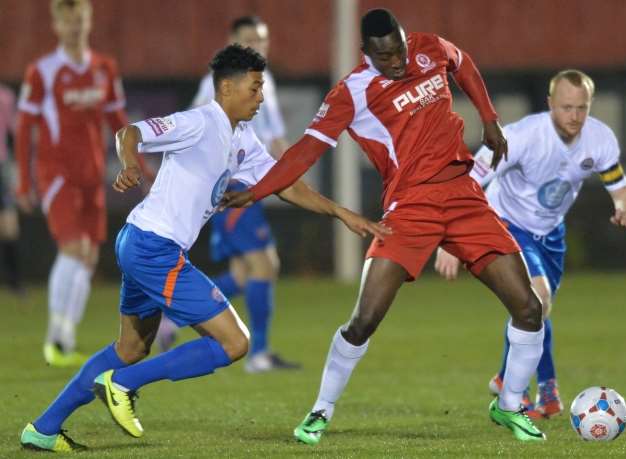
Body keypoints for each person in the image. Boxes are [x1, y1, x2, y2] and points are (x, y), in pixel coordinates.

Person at [19, 44, 389, 453]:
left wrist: (341, 213)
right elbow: (131, 132)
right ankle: (122, 384)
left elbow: (285, 184)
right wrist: (128, 165)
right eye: (254, 88)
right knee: (234, 343)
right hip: (153, 247)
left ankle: (44, 428)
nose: (261, 98)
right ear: (226, 88)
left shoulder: (242, 139)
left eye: (262, 88)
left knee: (132, 347)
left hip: (142, 242)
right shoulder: (200, 122)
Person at [223, 9, 547, 443]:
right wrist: (259, 190)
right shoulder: (351, 92)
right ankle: (321, 410)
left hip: (464, 195)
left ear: (405, 40)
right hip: (410, 208)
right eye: (385, 57)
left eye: (399, 51)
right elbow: (303, 152)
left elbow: (462, 62)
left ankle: (510, 407)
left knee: (528, 308)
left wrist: (489, 118)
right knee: (364, 320)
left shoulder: (429, 48)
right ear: (365, 54)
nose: (397, 63)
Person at [435, 69, 626, 419]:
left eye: (581, 108)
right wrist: (449, 238)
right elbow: (470, 180)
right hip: (507, 223)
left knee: (535, 310)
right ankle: (522, 391)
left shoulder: (599, 139)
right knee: (536, 299)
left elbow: (621, 188)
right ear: (549, 105)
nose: (574, 116)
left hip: (551, 234)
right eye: (566, 107)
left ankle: (528, 385)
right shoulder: (521, 137)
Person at [156, 15, 298, 373]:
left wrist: (294, 170)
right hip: (233, 185)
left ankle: (169, 316)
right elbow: (193, 131)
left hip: (253, 182)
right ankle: (260, 354)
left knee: (241, 275)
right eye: (250, 39)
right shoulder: (215, 86)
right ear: (234, 41)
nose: (258, 46)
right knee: (265, 264)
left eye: (262, 40)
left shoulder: (266, 82)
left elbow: (275, 136)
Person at [15, 0, 152, 367]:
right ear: (57, 25)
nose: (75, 27)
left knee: (89, 256)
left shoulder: (104, 68)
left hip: (92, 176)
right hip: (57, 175)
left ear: (88, 22)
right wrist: (22, 180)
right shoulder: (42, 71)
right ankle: (55, 338)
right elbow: (26, 125)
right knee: (74, 249)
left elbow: (118, 119)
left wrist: (140, 164)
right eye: (68, 21)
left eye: (81, 20)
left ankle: (66, 338)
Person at [0, 83, 23, 294]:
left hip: (1, 168)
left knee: (9, 226)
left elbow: (14, 132)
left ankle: (14, 282)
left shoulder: (5, 96)